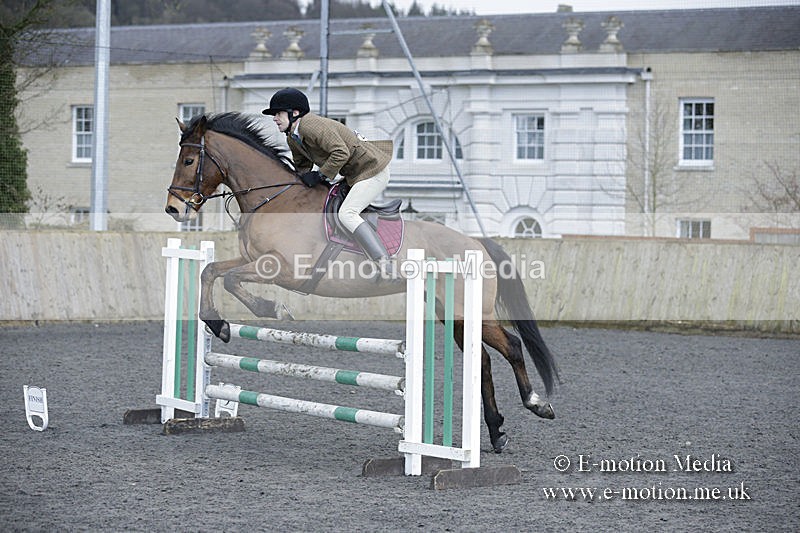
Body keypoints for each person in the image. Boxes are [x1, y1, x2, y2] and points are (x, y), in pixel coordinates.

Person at [262, 88, 393, 268]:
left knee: (347, 214)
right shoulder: (293, 137)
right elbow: (302, 166)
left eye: (278, 114)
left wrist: (320, 175)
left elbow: (341, 153)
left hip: (373, 170)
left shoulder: (310, 126)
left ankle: (384, 263)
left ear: (295, 113)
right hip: (354, 174)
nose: (274, 119)